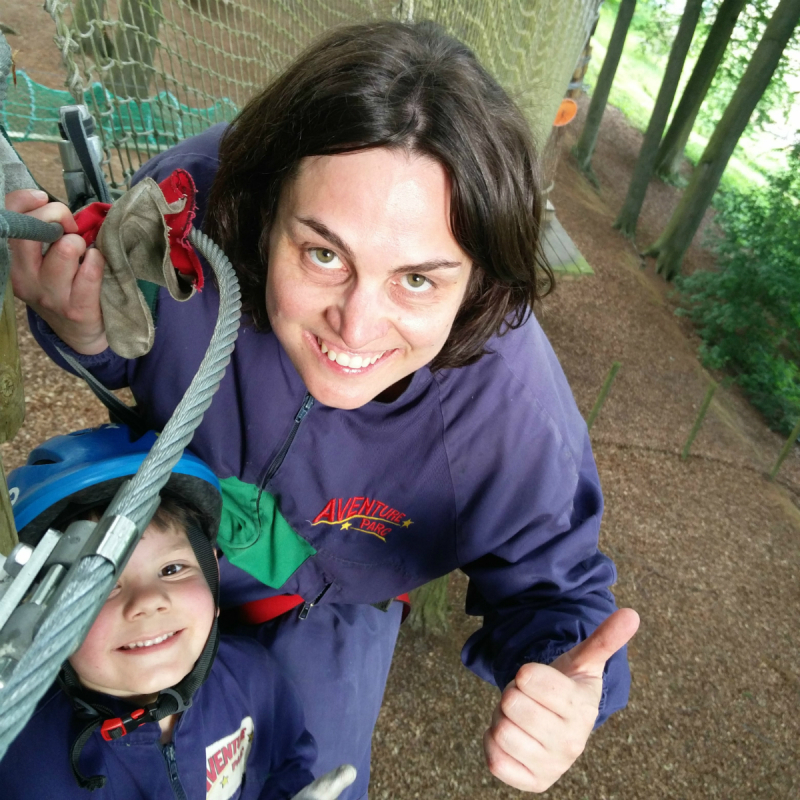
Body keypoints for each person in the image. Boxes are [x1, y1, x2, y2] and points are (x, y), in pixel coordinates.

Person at [7, 19, 640, 798]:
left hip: (338, 604)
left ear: (478, 278)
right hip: (173, 521)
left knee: (319, 767)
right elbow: (129, 341)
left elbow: (559, 595)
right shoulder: (192, 206)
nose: (357, 326)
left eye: (418, 280)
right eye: (323, 253)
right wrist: (80, 326)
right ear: (263, 211)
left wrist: (570, 690)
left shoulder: (509, 413)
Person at [0, 424, 355, 800]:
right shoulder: (21, 760)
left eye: (172, 569)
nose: (147, 601)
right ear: (35, 613)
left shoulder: (253, 678)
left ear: (212, 574)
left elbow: (284, 758)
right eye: (99, 585)